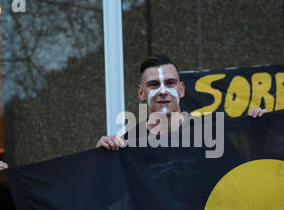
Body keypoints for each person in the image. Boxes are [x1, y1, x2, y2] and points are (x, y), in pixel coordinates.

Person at [96, 55, 267, 150]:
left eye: (170, 83)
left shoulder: (211, 129)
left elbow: (242, 174)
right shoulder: (130, 141)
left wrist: (261, 129)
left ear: (182, 89)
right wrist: (100, 160)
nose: (163, 91)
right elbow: (110, 196)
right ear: (141, 92)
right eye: (153, 84)